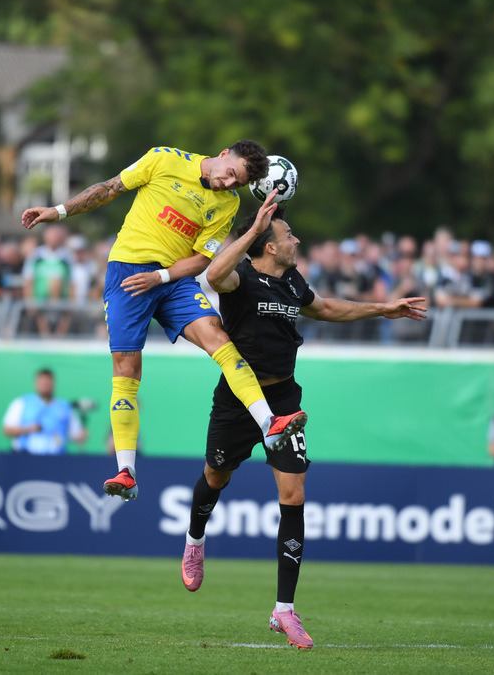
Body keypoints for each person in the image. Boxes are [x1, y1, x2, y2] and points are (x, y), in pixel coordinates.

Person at [180, 197, 427, 650]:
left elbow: (326, 308)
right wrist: (253, 229)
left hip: (284, 397)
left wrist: (383, 308)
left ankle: (284, 611)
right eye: (288, 235)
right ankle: (195, 540)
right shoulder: (240, 278)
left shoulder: (292, 280)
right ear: (268, 246)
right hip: (239, 398)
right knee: (216, 476)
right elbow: (213, 275)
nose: (295, 240)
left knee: (292, 496)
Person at [21, 140, 307, 499]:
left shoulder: (228, 204)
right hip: (128, 274)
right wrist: (59, 211)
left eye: (236, 184)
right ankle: (126, 470)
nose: (227, 185)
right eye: (230, 175)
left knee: (219, 339)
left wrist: (163, 277)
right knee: (127, 370)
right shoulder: (164, 159)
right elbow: (109, 189)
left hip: (173, 279)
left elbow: (204, 259)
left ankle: (269, 423)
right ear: (222, 155)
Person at [2, 368, 87, 455]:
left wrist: (82, 435)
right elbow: (7, 430)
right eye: (42, 382)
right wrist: (28, 429)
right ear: (36, 384)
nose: (45, 386)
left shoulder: (65, 407)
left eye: (48, 383)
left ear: (53, 384)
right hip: (25, 457)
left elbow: (76, 435)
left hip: (56, 459)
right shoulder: (22, 402)